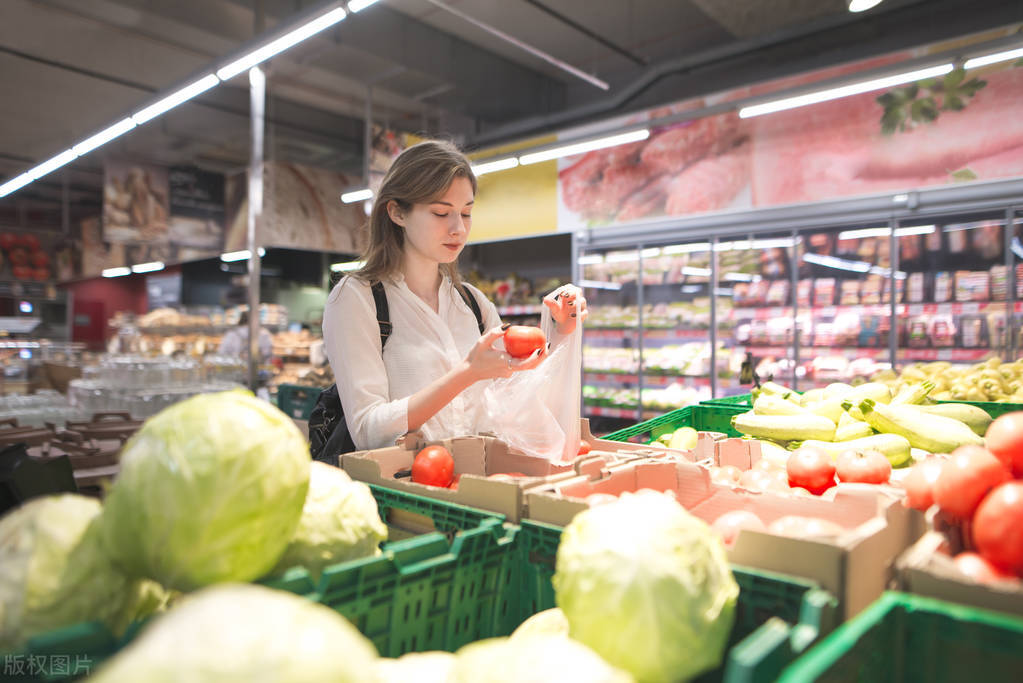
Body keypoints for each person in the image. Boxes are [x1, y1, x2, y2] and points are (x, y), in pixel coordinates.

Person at [322, 140, 587, 451]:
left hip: (474, 489)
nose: (458, 228)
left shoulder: (474, 305)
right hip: (400, 493)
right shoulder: (357, 299)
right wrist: (467, 373)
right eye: (440, 212)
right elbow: (368, 430)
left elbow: (517, 407)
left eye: (466, 213)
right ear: (397, 213)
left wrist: (559, 335)